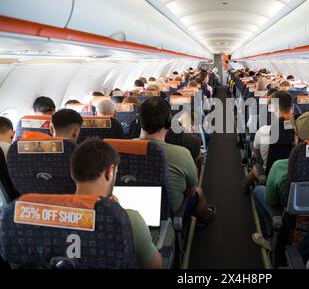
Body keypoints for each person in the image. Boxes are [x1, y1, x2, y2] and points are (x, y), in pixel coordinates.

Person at [71, 139, 162, 269]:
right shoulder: (127, 219)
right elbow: (155, 266)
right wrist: (116, 211)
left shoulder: (47, 217)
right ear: (110, 171)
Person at [251, 112, 309, 247]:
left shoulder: (280, 166)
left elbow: (271, 200)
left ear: (297, 138)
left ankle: (270, 240)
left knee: (258, 191)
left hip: (289, 221)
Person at [138, 97, 216, 223]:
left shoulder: (120, 149)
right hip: (167, 214)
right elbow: (191, 192)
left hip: (131, 212)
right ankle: (205, 217)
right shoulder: (181, 154)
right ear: (169, 122)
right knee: (198, 192)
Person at [242, 91, 294, 192]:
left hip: (271, 177)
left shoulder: (263, 131)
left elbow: (257, 152)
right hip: (295, 176)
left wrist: (261, 160)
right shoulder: (300, 132)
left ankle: (245, 186)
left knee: (257, 166)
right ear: (292, 108)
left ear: (274, 108)